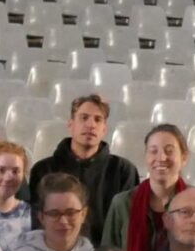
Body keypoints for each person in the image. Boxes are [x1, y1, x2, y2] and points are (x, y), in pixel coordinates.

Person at [99, 124, 195, 251]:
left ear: (184, 158)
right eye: (153, 151)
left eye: (169, 151)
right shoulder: (122, 203)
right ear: (146, 157)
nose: (161, 158)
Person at [29, 94, 138, 224]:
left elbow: (128, 224)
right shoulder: (43, 169)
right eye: (84, 118)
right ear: (71, 125)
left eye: (98, 119)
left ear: (104, 129)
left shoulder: (123, 171)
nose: (91, 124)